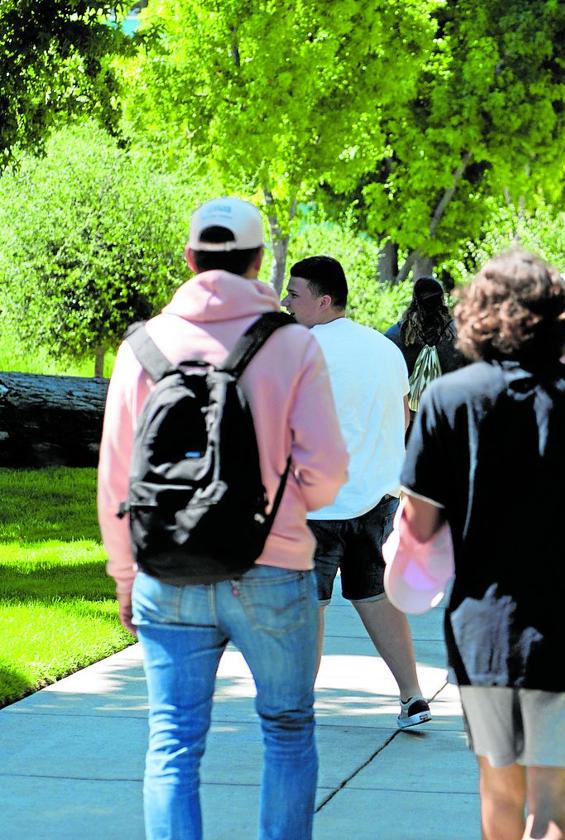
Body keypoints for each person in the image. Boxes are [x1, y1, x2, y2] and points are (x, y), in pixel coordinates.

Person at [98, 197, 349, 839]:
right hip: (274, 568)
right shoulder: (292, 345)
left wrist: (126, 575)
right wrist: (282, 507)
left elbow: (116, 477)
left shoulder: (143, 347)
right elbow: (325, 475)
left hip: (168, 571)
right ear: (259, 260)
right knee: (288, 731)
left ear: (189, 259)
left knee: (174, 744)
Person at [398, 249, 565, 840]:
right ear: (559, 318)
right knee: (554, 811)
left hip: (482, 627)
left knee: (500, 792)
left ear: (478, 315)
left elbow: (420, 523)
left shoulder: (448, 399)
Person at [283, 256, 432, 730]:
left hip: (316, 502)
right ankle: (412, 697)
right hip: (378, 497)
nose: (286, 302)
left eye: (295, 294)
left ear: (323, 301)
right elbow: (404, 416)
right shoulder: (384, 347)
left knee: (308, 605)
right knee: (373, 596)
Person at [385, 275, 467, 392]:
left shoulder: (394, 336)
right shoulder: (459, 335)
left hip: (407, 408)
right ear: (442, 300)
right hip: (447, 405)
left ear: (414, 300)